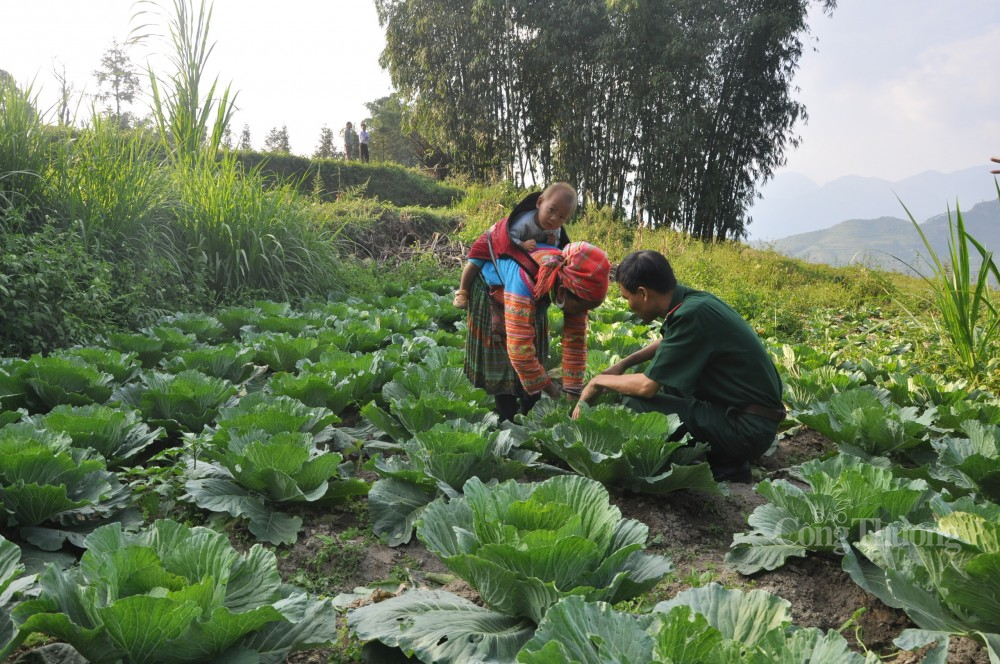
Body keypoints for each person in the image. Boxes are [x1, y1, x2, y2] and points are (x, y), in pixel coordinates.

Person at [572, 250, 785, 482]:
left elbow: (646, 387)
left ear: (643, 293)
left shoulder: (692, 315)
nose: (627, 305)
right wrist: (625, 362)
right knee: (668, 383)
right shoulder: (694, 302)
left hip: (746, 430)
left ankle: (726, 462)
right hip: (749, 418)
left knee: (636, 402)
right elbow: (669, 342)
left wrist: (598, 381)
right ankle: (716, 454)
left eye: (626, 298)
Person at [463, 223, 611, 421]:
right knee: (505, 365)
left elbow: (575, 340)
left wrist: (573, 392)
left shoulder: (572, 280)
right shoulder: (525, 277)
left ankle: (529, 412)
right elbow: (519, 350)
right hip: (494, 291)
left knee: (534, 356)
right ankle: (507, 418)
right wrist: (552, 390)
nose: (582, 313)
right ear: (562, 292)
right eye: (581, 307)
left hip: (532, 296)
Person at [453, 182, 576, 309]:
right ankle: (463, 291)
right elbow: (508, 237)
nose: (554, 218)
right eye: (551, 210)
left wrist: (552, 242)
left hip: (528, 250)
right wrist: (522, 244)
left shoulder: (556, 228)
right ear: (539, 203)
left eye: (562, 217)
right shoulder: (524, 221)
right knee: (475, 261)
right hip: (495, 238)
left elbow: (555, 244)